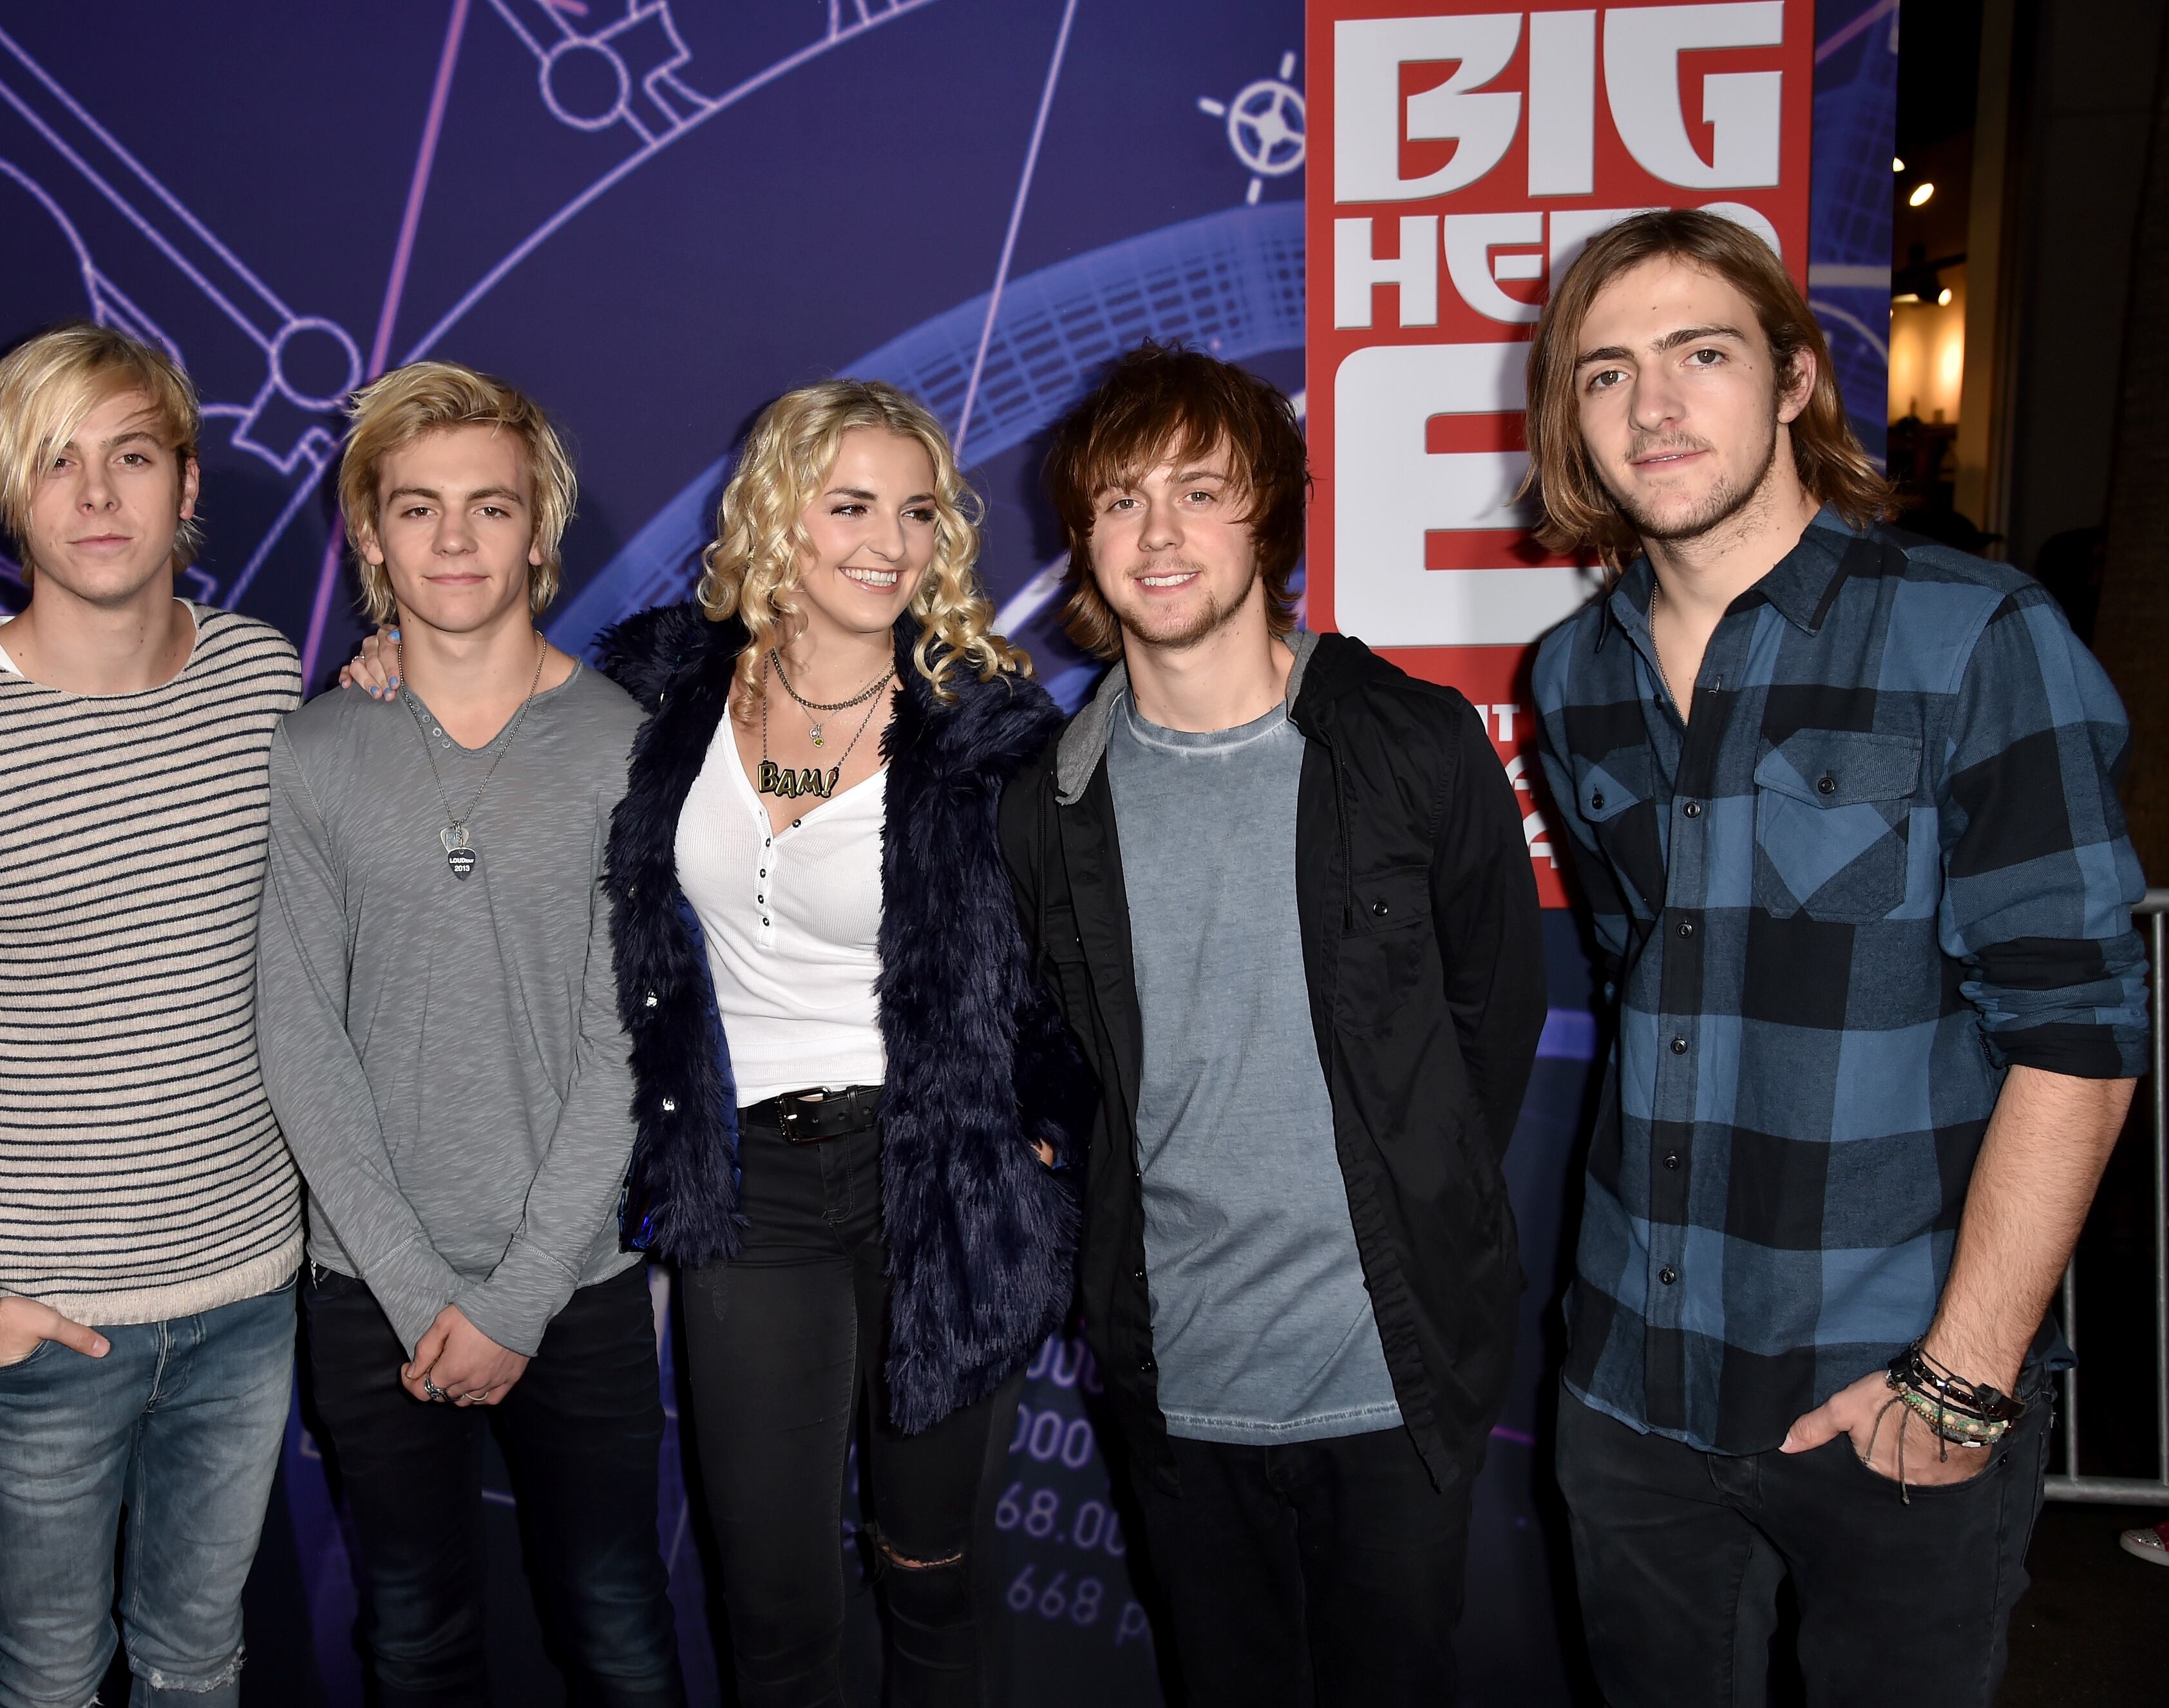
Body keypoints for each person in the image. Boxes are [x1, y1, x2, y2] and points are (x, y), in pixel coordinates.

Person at [349, 378, 1081, 1703]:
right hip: (747, 1187)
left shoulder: (987, 731)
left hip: (935, 1191)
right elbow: (502, 685)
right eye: (850, 503)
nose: (889, 541)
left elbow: (1073, 968)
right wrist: (397, 657)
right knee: (776, 1597)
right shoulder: (665, 680)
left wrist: (1036, 1131)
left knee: (930, 1575)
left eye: (917, 512)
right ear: (778, 515)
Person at [1526, 209, 2148, 1706]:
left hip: (1897, 1391)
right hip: (1633, 1393)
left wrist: (1962, 1378)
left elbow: (2079, 1034)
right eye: (1605, 373)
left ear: (1796, 378)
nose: (1654, 407)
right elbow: (1647, 988)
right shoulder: (1573, 677)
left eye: (1702, 354)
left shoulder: (1978, 637)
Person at [996, 342, 1547, 1707]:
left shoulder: (1410, 742)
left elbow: (1493, 1016)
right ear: (1084, 545)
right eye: (1121, 501)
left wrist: (1425, 1215)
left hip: (1393, 1373)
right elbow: (1062, 1065)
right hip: (1179, 1380)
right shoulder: (1046, 808)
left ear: (1270, 518)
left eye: (1200, 489)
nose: (1160, 533)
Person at [0, 323, 305, 1708]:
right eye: (56, 462)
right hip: (41, 1327)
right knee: (42, 1678)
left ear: (187, 485)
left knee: (202, 1665)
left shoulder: (265, 680)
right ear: (9, 494)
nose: (96, 497)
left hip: (248, 1297)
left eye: (131, 456)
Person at [259, 361, 683, 1706]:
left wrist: (509, 1303)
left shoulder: (625, 748)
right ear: (370, 535)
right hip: (366, 1288)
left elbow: (631, 1042)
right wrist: (411, 1285)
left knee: (617, 1632)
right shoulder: (315, 751)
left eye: (489, 508)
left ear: (540, 534)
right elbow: (298, 1036)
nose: (453, 539)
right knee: (413, 1638)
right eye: (418, 507)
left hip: (581, 1288)